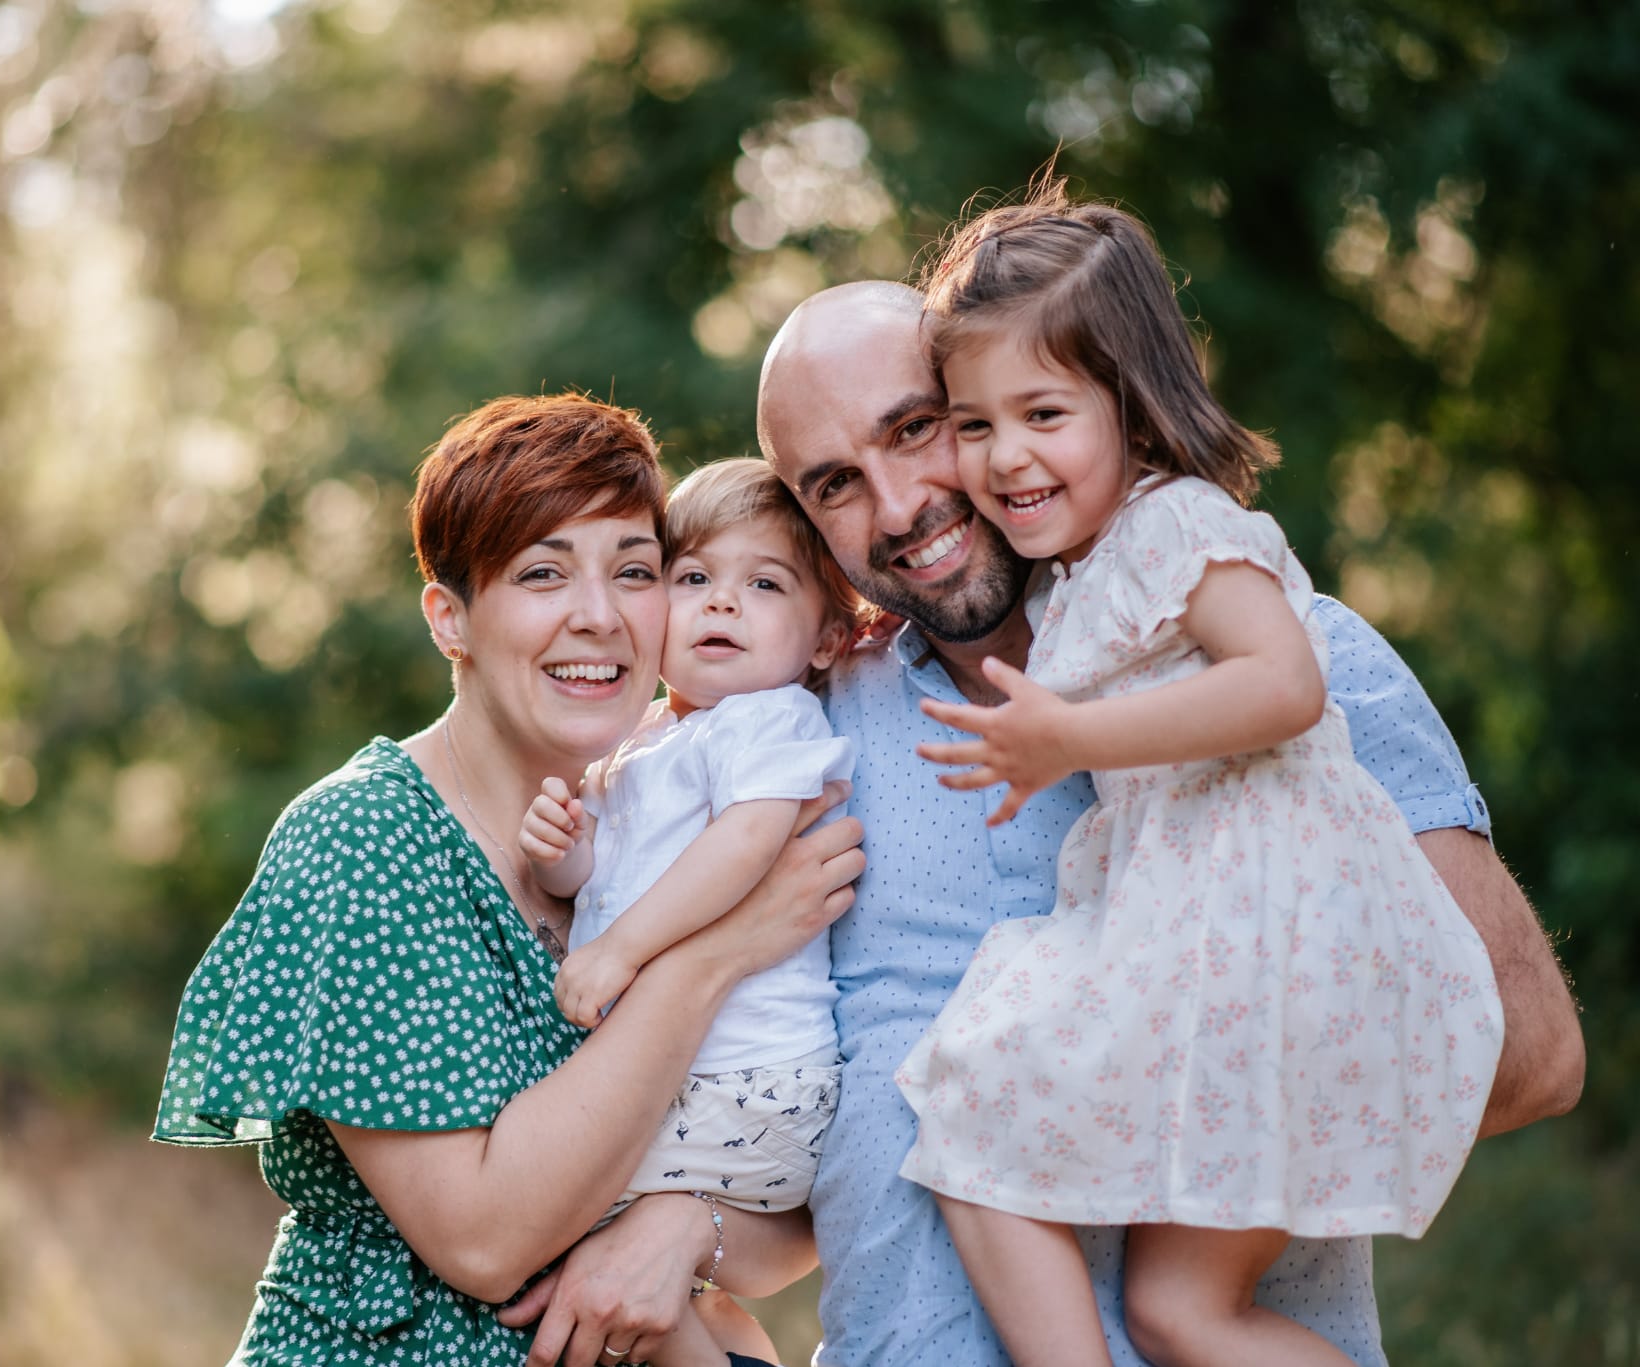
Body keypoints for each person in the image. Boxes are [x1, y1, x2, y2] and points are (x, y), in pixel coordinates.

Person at [742, 277, 1585, 1366]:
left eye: (918, 429)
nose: (899, 504)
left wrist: (1152, 1079)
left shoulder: (1274, 647)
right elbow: (777, 1108)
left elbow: (1528, 1056)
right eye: (835, 485)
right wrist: (691, 1230)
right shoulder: (799, 734)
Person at [888, 184, 1502, 1367]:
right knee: (1178, 1314)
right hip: (1225, 945)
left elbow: (1283, 686)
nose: (1004, 453)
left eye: (1042, 412)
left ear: (1131, 404)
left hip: (1272, 940)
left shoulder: (1176, 525)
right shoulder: (1084, 567)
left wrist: (1065, 736)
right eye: (971, 423)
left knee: (971, 1095)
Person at [151, 393, 865, 1367]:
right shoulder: (367, 841)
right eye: (541, 573)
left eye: (634, 570)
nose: (599, 615)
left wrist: (683, 1224)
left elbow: (798, 1212)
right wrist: (720, 953)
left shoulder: (642, 817)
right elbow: (484, 1240)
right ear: (450, 617)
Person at [516, 460, 864, 1367]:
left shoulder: (768, 719)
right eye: (694, 578)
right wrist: (562, 848)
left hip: (750, 1082)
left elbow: (749, 844)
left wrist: (620, 951)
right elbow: (603, 873)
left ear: (827, 638)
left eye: (764, 584)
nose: (721, 604)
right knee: (577, 1228)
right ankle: (726, 1343)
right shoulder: (651, 739)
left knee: (549, 1213)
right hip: (694, 1077)